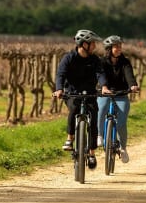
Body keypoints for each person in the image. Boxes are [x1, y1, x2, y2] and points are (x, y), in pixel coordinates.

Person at [52, 29, 106, 170]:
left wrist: (104, 86)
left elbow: (100, 73)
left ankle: (92, 153)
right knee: (74, 109)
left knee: (93, 118)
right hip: (72, 93)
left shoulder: (95, 60)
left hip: (90, 93)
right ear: (83, 44)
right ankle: (70, 139)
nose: (94, 46)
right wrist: (59, 89)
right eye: (92, 43)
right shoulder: (68, 58)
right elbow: (60, 75)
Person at [97, 35, 140, 164]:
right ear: (109, 48)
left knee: (121, 123)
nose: (119, 49)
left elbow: (129, 74)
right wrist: (104, 86)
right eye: (116, 46)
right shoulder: (102, 62)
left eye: (120, 46)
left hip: (121, 94)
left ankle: (123, 148)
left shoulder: (125, 62)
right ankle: (99, 135)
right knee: (101, 110)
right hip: (105, 93)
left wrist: (132, 85)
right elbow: (101, 75)